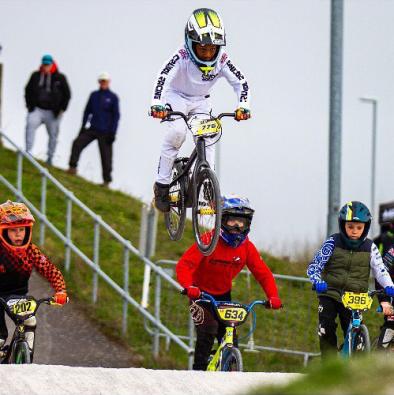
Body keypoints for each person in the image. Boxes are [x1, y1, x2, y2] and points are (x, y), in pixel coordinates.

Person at [149, 8, 251, 212]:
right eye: (202, 48)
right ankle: (161, 185)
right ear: (190, 42)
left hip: (200, 101)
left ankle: (206, 183)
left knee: (210, 133)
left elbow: (241, 82)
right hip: (175, 97)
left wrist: (243, 105)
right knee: (177, 132)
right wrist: (157, 103)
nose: (207, 53)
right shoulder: (181, 55)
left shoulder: (222, 60)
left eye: (212, 49)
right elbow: (163, 77)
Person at [176, 195, 282, 370]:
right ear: (222, 220)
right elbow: (185, 265)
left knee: (231, 336)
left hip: (223, 295)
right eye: (232, 221)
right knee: (208, 330)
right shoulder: (209, 240)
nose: (237, 226)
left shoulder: (247, 247)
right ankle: (198, 372)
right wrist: (189, 286)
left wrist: (273, 297)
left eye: (242, 222)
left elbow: (263, 274)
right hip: (200, 294)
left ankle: (231, 368)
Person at [307, 201, 394, 358]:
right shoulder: (332, 242)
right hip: (330, 293)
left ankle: (356, 370)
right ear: (343, 225)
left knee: (356, 331)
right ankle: (329, 364)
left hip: (355, 296)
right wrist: (317, 281)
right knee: (326, 327)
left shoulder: (370, 247)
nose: (354, 231)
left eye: (359, 228)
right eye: (350, 227)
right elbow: (315, 266)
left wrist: (390, 286)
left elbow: (381, 271)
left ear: (365, 227)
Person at [0, 200, 68, 360]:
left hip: (16, 297)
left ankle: (27, 359)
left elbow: (50, 270)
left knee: (30, 320)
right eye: (13, 230)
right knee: (0, 338)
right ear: (3, 232)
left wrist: (60, 291)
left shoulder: (31, 251)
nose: (18, 234)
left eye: (22, 229)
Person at [67, 72, 120, 187]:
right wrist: (83, 126)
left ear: (108, 82)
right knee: (77, 143)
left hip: (106, 132)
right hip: (93, 128)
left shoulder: (113, 97)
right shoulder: (94, 95)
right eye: (101, 81)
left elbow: (116, 116)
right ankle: (72, 167)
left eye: (105, 81)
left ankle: (106, 181)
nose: (103, 83)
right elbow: (87, 111)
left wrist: (113, 132)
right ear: (99, 82)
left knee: (106, 156)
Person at [25, 54, 71, 166]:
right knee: (30, 124)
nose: (46, 67)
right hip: (37, 109)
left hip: (53, 112)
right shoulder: (35, 76)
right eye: (44, 64)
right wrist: (30, 106)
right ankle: (28, 152)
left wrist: (62, 109)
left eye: (48, 65)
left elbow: (67, 94)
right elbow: (27, 90)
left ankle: (50, 157)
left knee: (53, 134)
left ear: (52, 64)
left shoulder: (60, 78)